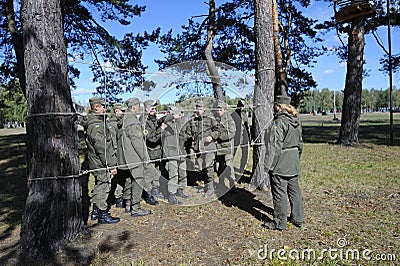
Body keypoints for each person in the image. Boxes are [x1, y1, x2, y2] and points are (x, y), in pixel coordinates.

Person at [262, 95, 304, 230]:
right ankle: (298, 219)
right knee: (294, 191)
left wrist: (269, 165)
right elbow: (300, 143)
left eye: (275, 105)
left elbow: (275, 145)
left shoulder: (279, 122)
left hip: (281, 162)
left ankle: (280, 222)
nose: (274, 108)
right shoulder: (296, 120)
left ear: (279, 106)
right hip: (293, 161)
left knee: (279, 192)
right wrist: (296, 158)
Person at [117, 97, 155, 217]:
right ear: (133, 107)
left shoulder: (125, 119)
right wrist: (145, 158)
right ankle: (136, 207)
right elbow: (137, 142)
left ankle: (128, 204)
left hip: (126, 156)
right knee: (138, 179)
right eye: (138, 106)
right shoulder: (132, 121)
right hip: (134, 156)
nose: (140, 108)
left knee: (129, 180)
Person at [84, 97, 120, 224]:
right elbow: (102, 148)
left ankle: (95, 211)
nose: (105, 109)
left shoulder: (97, 122)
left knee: (99, 185)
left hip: (97, 160)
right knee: (104, 185)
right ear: (96, 107)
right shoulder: (96, 125)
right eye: (103, 106)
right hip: (100, 161)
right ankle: (102, 214)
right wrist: (111, 165)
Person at [181, 100, 219, 197]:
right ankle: (206, 186)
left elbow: (217, 130)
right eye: (197, 108)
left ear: (204, 108)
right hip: (198, 148)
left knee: (209, 167)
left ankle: (211, 188)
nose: (198, 110)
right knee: (202, 167)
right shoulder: (193, 119)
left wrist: (212, 136)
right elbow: (188, 132)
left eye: (200, 108)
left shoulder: (210, 118)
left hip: (209, 147)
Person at [160, 106, 190, 205]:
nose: (180, 115)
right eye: (177, 113)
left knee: (183, 172)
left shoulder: (182, 122)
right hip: (171, 153)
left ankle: (180, 190)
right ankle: (171, 195)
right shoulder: (167, 123)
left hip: (181, 151)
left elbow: (187, 133)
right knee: (173, 175)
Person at [107, 103, 127, 208]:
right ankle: (117, 197)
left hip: (121, 153)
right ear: (116, 111)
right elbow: (113, 142)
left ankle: (119, 196)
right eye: (122, 111)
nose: (124, 113)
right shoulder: (112, 124)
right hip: (115, 153)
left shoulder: (120, 122)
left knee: (121, 176)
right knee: (116, 176)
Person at [214, 101, 237, 193]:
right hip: (218, 148)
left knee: (228, 166)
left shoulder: (229, 120)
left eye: (221, 110)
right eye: (217, 110)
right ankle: (221, 183)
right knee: (219, 166)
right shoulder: (215, 119)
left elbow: (231, 133)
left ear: (225, 110)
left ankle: (232, 184)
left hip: (227, 147)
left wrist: (219, 138)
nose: (219, 111)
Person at [231, 99, 251, 177]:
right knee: (232, 153)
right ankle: (228, 168)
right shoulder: (233, 114)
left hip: (244, 137)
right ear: (237, 105)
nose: (242, 107)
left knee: (245, 154)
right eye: (240, 106)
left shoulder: (244, 114)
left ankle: (242, 168)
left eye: (243, 106)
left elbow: (247, 126)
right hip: (236, 137)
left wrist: (249, 137)